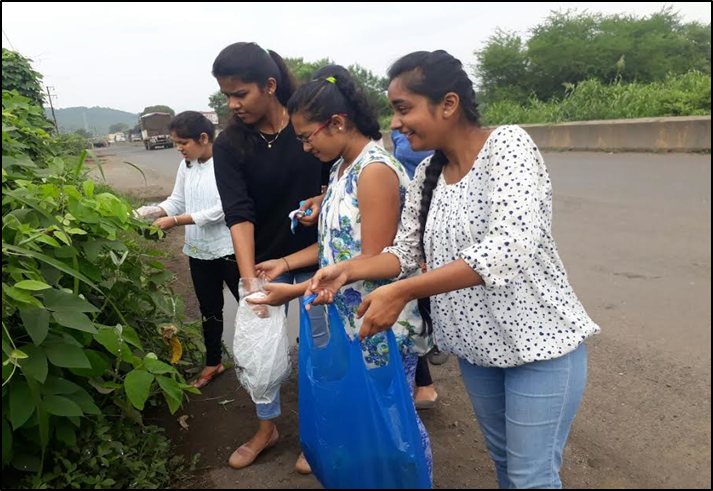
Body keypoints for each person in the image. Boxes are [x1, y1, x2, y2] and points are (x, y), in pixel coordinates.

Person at [308, 50, 600, 489]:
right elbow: (403, 253)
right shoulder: (428, 172)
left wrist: (403, 292)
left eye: (403, 108)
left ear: (448, 104)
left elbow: (507, 247)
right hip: (478, 349)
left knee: (531, 477)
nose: (394, 123)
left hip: (540, 346)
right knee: (506, 465)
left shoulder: (508, 146)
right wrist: (347, 270)